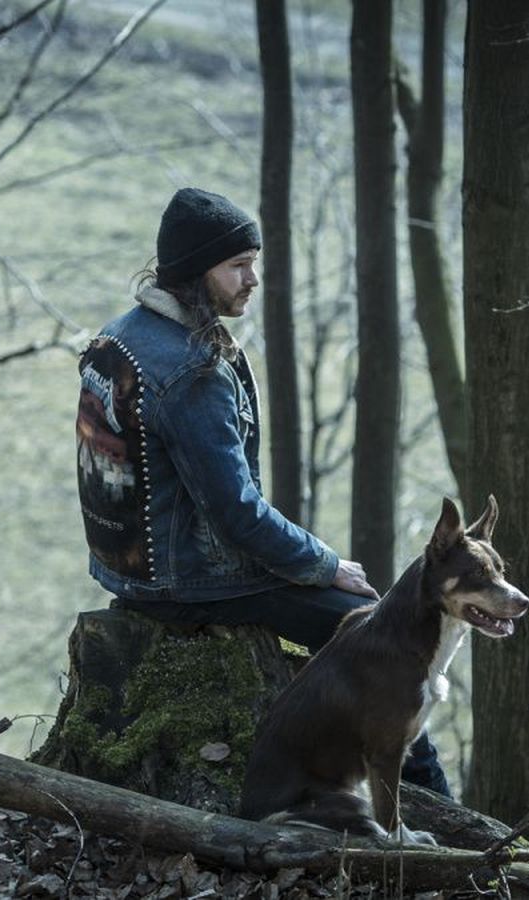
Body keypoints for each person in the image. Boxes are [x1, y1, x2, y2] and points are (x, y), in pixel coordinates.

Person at [74, 186, 450, 797]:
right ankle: (435, 804)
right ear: (196, 273)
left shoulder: (120, 335)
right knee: (382, 638)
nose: (253, 279)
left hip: (126, 570)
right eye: (237, 266)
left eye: (254, 261)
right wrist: (324, 564)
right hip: (182, 582)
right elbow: (237, 517)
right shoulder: (190, 373)